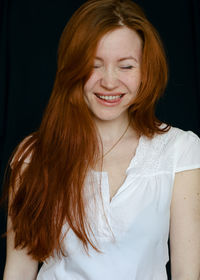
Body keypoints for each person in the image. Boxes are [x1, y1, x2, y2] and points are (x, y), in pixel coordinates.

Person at [2, 0, 200, 279]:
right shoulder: (33, 155)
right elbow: (19, 270)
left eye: (126, 66)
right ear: (72, 70)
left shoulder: (181, 151)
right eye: (94, 65)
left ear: (146, 70)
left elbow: (186, 274)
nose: (109, 81)